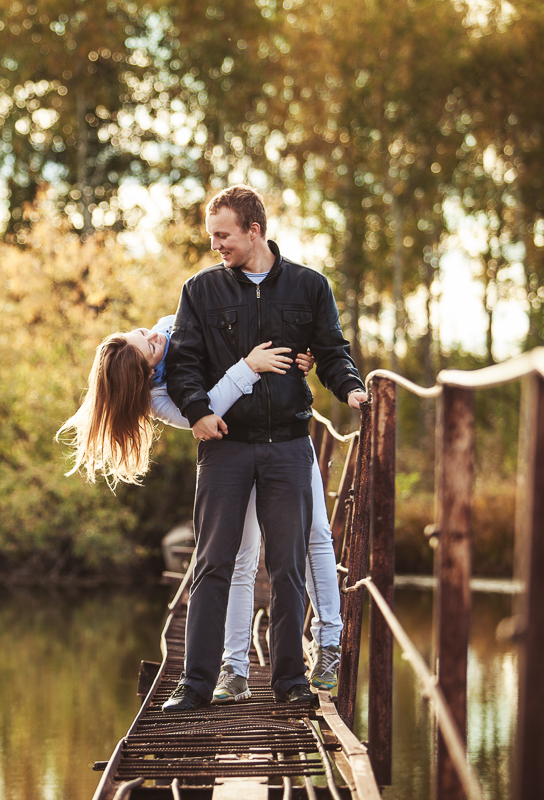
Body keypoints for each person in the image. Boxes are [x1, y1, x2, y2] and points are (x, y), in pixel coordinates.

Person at [57, 315, 344, 702]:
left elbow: (251, 322)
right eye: (151, 347)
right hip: (232, 452)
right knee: (241, 556)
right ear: (146, 375)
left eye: (142, 333)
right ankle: (234, 668)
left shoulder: (175, 322)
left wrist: (299, 359)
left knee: (315, 536)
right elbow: (209, 410)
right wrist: (248, 367)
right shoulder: (160, 399)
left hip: (284, 432)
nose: (156, 335)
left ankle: (328, 646)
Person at [162, 184, 367, 712]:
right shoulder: (200, 291)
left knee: (287, 565)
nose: (216, 246)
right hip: (227, 448)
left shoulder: (309, 286)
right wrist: (198, 412)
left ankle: (290, 682)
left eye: (223, 235)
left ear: (255, 230)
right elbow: (183, 362)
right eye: (212, 237)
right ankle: (197, 685)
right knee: (212, 563)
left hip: (289, 446)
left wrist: (352, 389)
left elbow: (331, 352)